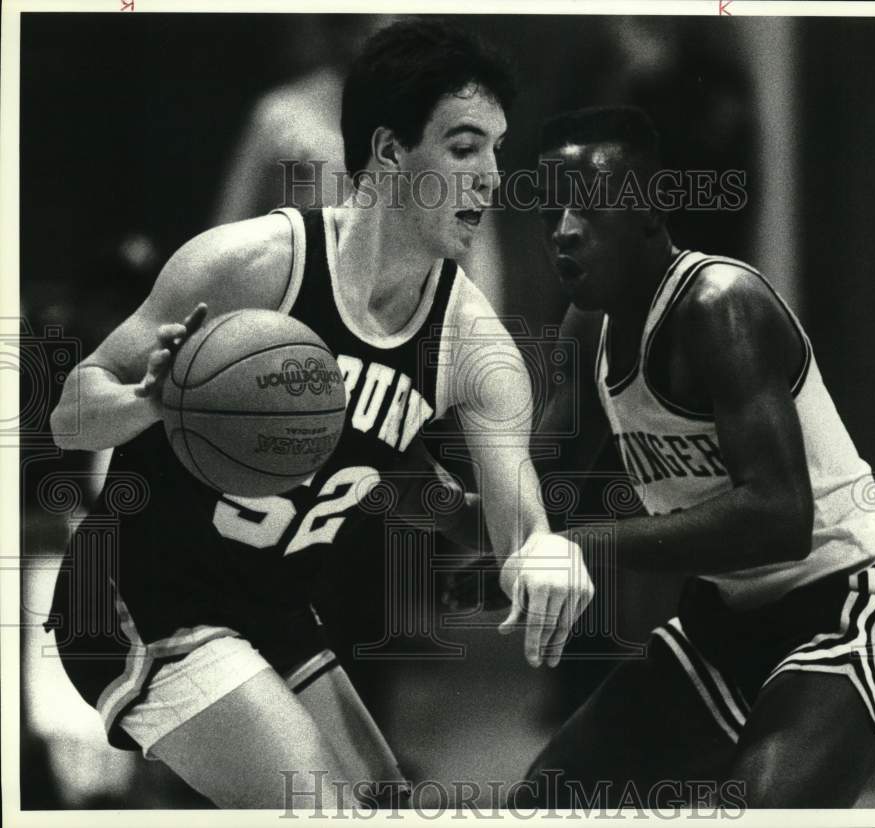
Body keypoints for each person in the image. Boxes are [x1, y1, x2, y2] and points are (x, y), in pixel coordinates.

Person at [45, 21, 593, 809]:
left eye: (498, 151)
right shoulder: (249, 266)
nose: (491, 178)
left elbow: (514, 522)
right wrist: (143, 402)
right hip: (136, 597)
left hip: (270, 605)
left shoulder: (479, 348)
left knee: (382, 807)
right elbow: (69, 416)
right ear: (389, 151)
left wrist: (540, 551)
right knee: (320, 809)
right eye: (465, 148)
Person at [492, 106, 875, 808]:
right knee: (547, 802)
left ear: (650, 210)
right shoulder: (588, 329)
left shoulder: (720, 303)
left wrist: (581, 546)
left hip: (858, 594)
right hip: (730, 616)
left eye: (587, 206)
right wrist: (392, 490)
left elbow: (779, 516)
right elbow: (535, 499)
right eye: (550, 209)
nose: (563, 230)